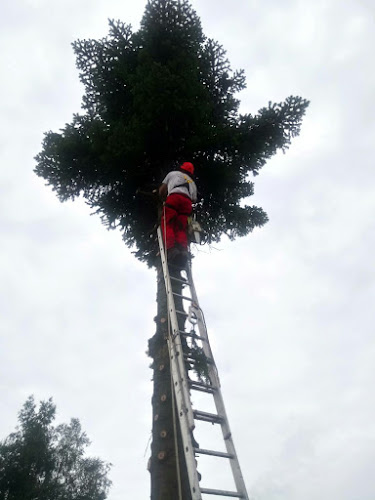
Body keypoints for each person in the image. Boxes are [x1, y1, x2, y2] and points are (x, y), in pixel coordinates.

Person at [159, 162, 197, 264]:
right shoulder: (191, 182)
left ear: (181, 168)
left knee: (168, 223)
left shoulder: (173, 174)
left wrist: (163, 199)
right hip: (187, 203)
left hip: (174, 198)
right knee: (181, 228)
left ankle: (171, 250)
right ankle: (183, 251)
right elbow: (193, 199)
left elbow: (162, 190)